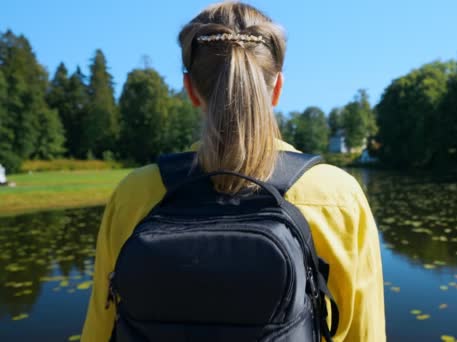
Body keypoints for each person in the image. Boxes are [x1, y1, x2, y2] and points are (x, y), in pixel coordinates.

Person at [81, 2, 385, 341]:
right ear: (277, 87)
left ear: (190, 89)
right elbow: (365, 333)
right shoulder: (338, 195)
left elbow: (99, 328)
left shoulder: (134, 194)